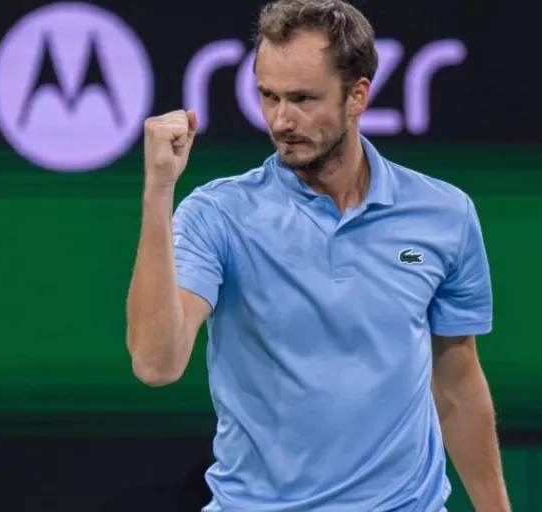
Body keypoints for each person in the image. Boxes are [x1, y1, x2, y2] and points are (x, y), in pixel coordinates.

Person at [126, 0, 511, 510]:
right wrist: (159, 190)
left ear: (358, 96)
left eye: (304, 99)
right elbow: (156, 364)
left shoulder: (445, 214)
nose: (282, 120)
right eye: (268, 96)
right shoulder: (217, 214)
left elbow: (458, 384)